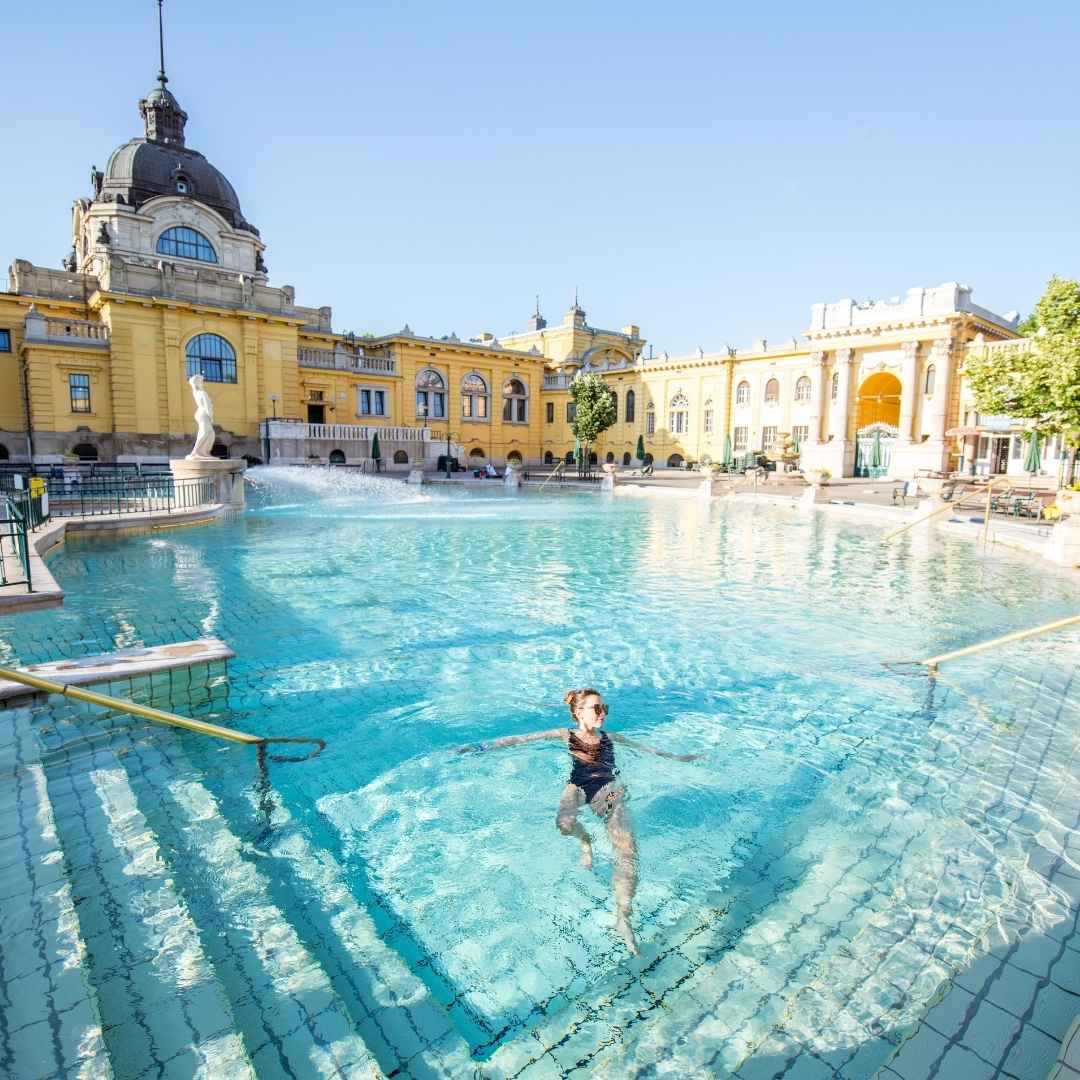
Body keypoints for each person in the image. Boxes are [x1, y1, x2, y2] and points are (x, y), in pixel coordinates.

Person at [458, 688, 700, 955]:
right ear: (578, 713)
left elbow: (649, 750)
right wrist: (482, 747)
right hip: (578, 786)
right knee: (563, 824)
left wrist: (681, 758)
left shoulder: (610, 737)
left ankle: (623, 917)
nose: (602, 714)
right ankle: (585, 840)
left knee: (626, 848)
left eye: (604, 708)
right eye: (596, 709)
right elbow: (522, 739)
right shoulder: (567, 734)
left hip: (607, 788)